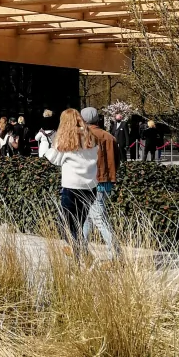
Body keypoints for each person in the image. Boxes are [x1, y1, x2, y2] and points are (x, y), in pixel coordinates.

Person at [42, 108, 98, 258]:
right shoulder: (90, 136)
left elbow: (53, 158)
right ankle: (80, 255)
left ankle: (79, 252)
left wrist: (49, 146)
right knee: (79, 224)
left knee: (64, 225)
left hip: (72, 187)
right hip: (90, 187)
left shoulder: (65, 138)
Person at [80, 107, 119, 257]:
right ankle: (81, 249)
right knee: (89, 217)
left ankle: (114, 252)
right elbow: (117, 160)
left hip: (89, 181)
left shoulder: (83, 136)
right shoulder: (109, 136)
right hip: (106, 181)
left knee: (97, 217)